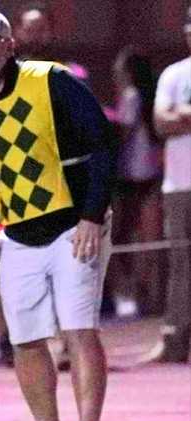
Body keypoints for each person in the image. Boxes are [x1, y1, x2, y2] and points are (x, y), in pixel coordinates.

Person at [0, 8, 114, 421]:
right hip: (18, 238)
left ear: (8, 44)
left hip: (72, 229)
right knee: (25, 340)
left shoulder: (51, 81)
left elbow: (102, 143)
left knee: (79, 330)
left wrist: (91, 215)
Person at [145, 7, 191, 363]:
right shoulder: (174, 74)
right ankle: (175, 341)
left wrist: (183, 115)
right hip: (180, 184)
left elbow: (174, 118)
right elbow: (161, 123)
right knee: (181, 265)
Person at [108, 47, 162, 318]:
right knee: (145, 237)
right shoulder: (148, 94)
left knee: (120, 237)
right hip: (150, 171)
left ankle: (129, 293)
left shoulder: (130, 96)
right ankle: (144, 295)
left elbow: (124, 133)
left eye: (119, 68)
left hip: (130, 174)